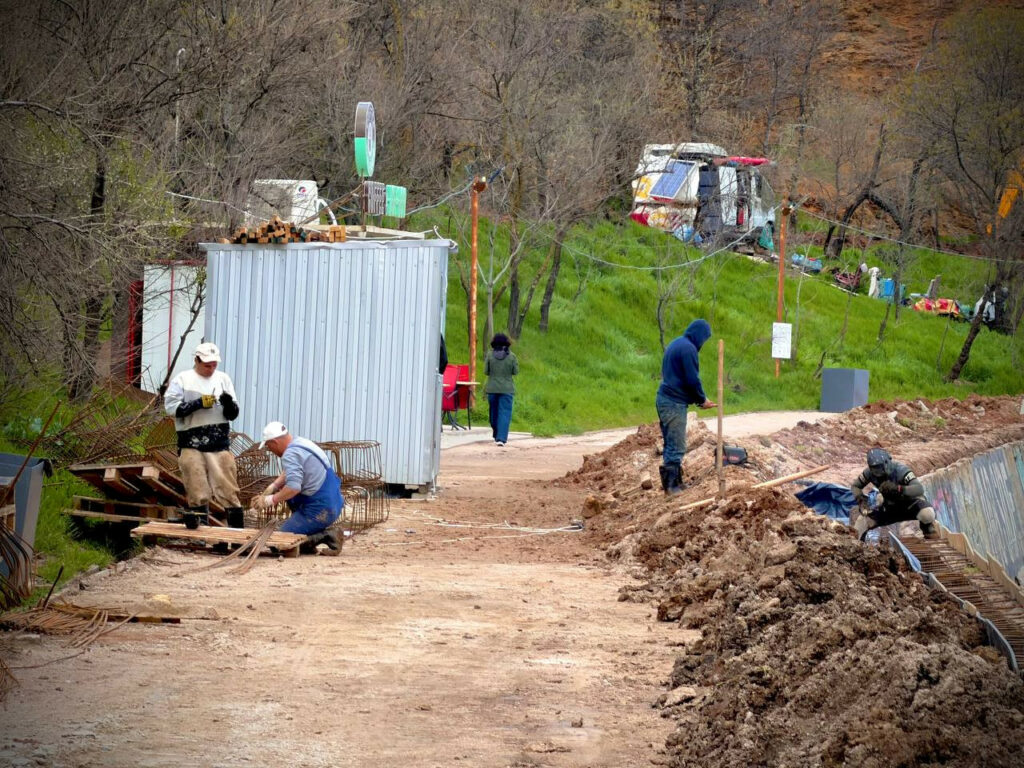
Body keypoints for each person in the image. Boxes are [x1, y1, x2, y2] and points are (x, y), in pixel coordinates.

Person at [163, 341, 244, 530]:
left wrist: (228, 404)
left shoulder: (223, 379)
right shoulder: (183, 379)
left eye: (214, 365)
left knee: (227, 487)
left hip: (218, 442)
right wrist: (197, 403)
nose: (211, 369)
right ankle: (201, 533)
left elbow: (233, 413)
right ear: (197, 361)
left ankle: (237, 532)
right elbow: (171, 408)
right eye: (207, 365)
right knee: (196, 485)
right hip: (190, 442)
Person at [254, 421, 343, 555]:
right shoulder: (300, 442)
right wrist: (274, 486)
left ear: (274, 442)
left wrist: (270, 500)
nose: (270, 450)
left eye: (268, 446)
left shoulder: (290, 454)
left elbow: (293, 488)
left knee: (278, 543)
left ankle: (327, 536)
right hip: (333, 502)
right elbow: (291, 472)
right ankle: (308, 533)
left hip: (320, 509)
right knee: (285, 489)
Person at [656, 319, 716, 496]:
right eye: (704, 339)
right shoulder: (688, 349)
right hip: (673, 403)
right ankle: (671, 486)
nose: (703, 344)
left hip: (666, 399)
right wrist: (701, 399)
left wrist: (698, 400)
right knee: (677, 444)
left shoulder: (677, 343)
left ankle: (676, 483)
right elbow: (692, 380)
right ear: (699, 335)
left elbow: (680, 378)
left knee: (671, 442)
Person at [850, 448, 938, 540]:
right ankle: (859, 545)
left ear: (887, 462)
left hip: (909, 505)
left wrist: (899, 489)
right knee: (861, 522)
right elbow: (855, 486)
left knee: (927, 513)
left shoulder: (901, 470)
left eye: (880, 468)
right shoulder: (869, 473)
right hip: (888, 508)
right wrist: (861, 500)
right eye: (875, 469)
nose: (878, 472)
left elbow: (919, 489)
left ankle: (927, 528)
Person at [484, 332, 519, 446]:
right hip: (507, 389)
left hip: (492, 388)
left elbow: (486, 372)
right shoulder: (512, 356)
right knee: (504, 413)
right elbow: (515, 372)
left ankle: (496, 432)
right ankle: (501, 438)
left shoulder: (489, 355)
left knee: (493, 413)